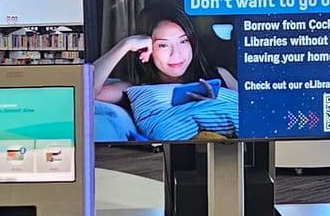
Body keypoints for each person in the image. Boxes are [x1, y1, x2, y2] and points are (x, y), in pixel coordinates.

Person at [91, 9, 239, 140]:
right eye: (163, 45)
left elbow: (256, 111)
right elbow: (85, 91)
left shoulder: (219, 75)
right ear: (146, 48)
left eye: (183, 41)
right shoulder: (135, 89)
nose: (176, 53)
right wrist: (127, 44)